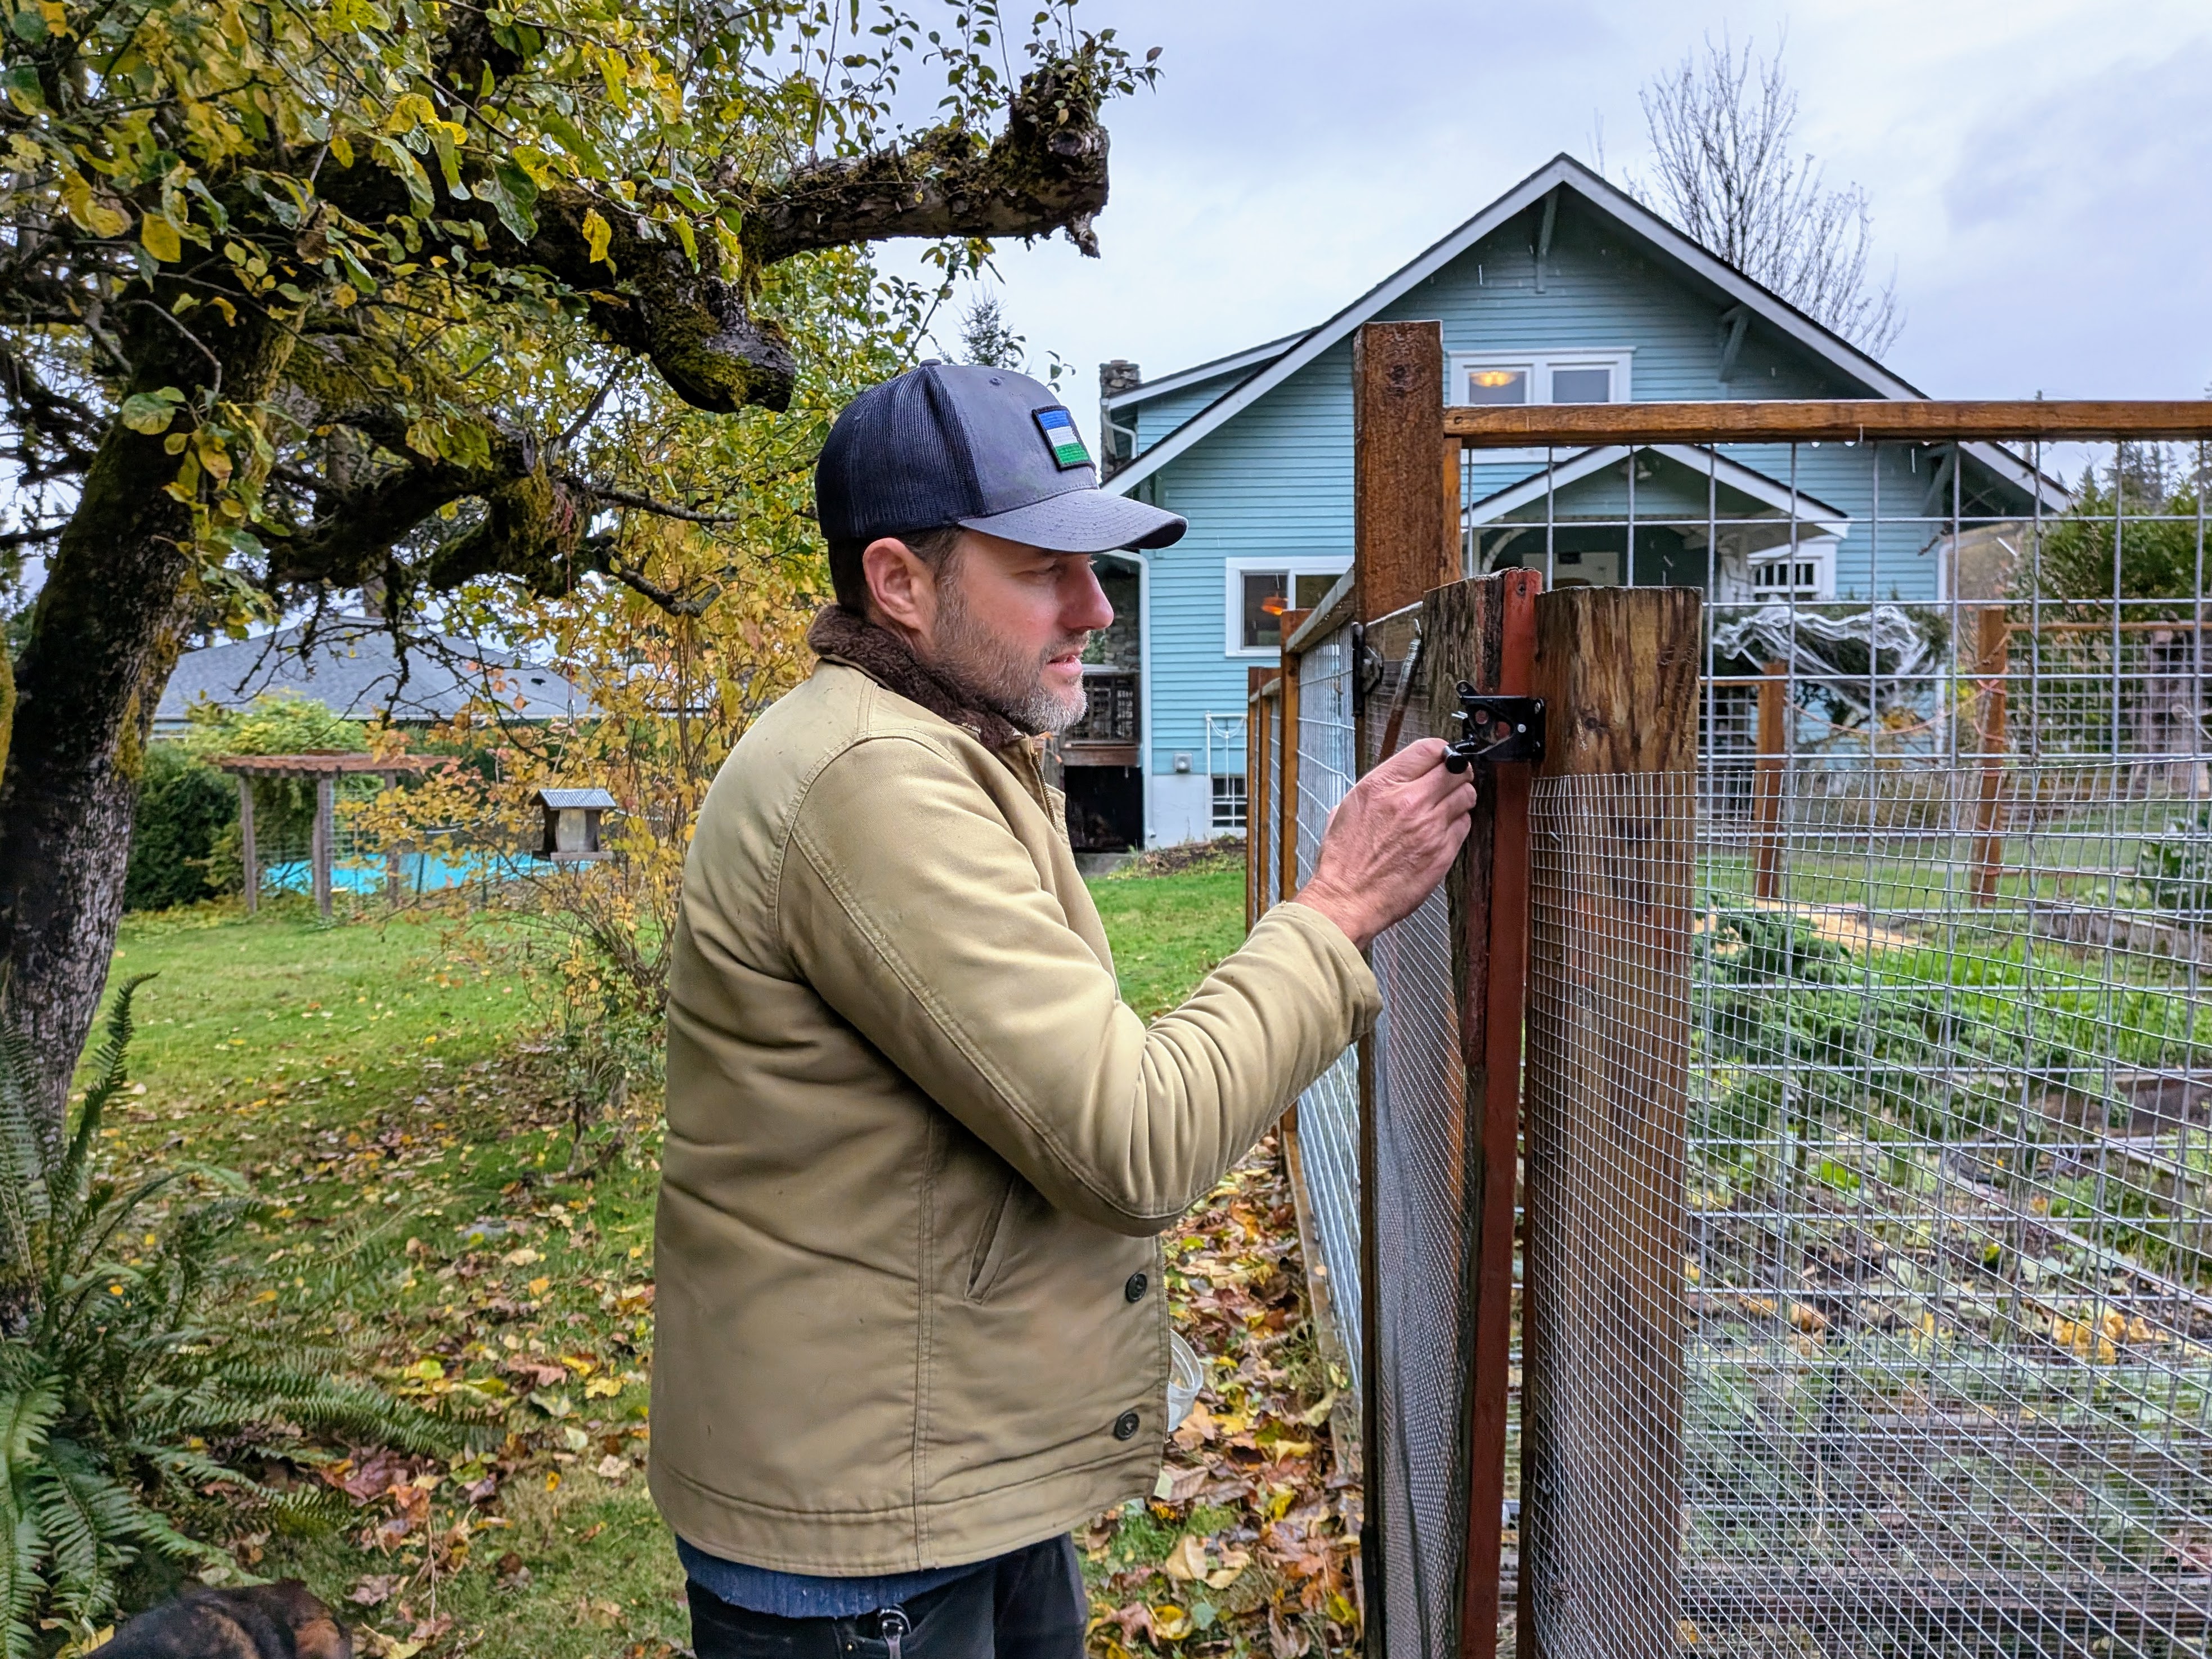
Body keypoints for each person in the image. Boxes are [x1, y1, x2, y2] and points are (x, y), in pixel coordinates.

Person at [649, 362, 1477, 1659]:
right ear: (899, 583)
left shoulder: (946, 740)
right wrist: (1335, 909)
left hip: (938, 1479)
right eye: (1044, 566)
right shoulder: (874, 780)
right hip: (866, 1544)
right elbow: (1127, 1136)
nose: (1097, 606)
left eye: (1094, 566)